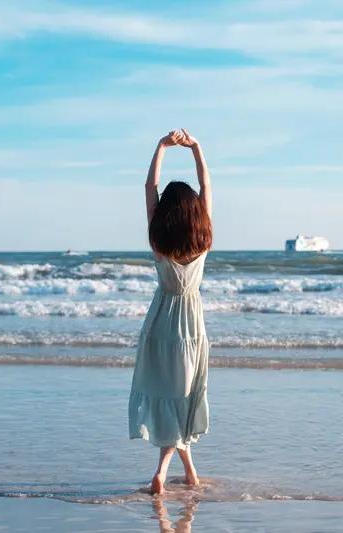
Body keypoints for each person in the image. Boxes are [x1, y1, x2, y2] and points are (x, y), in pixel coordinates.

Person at [128, 128, 213, 496]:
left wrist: (161, 147)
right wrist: (196, 148)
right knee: (182, 396)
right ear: (195, 212)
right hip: (191, 324)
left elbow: (149, 189)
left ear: (164, 213)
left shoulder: (157, 238)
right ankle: (163, 472)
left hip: (161, 321)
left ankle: (188, 472)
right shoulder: (204, 236)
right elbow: (207, 188)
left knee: (172, 395)